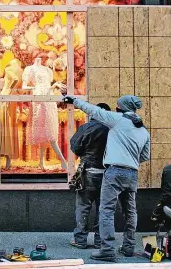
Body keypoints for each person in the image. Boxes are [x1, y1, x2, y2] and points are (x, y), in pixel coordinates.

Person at [63, 94, 150, 262]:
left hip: (115, 171)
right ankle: (128, 247)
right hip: (132, 173)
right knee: (130, 211)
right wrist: (129, 159)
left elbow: (93, 110)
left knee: (106, 210)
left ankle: (107, 250)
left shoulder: (117, 119)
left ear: (121, 108)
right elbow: (145, 156)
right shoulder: (143, 130)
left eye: (118, 106)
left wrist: (74, 101)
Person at [70, 103, 112, 249]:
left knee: (83, 206)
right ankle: (100, 241)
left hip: (88, 171)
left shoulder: (86, 128)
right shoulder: (112, 129)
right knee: (104, 209)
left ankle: (80, 240)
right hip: (107, 172)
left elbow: (75, 146)